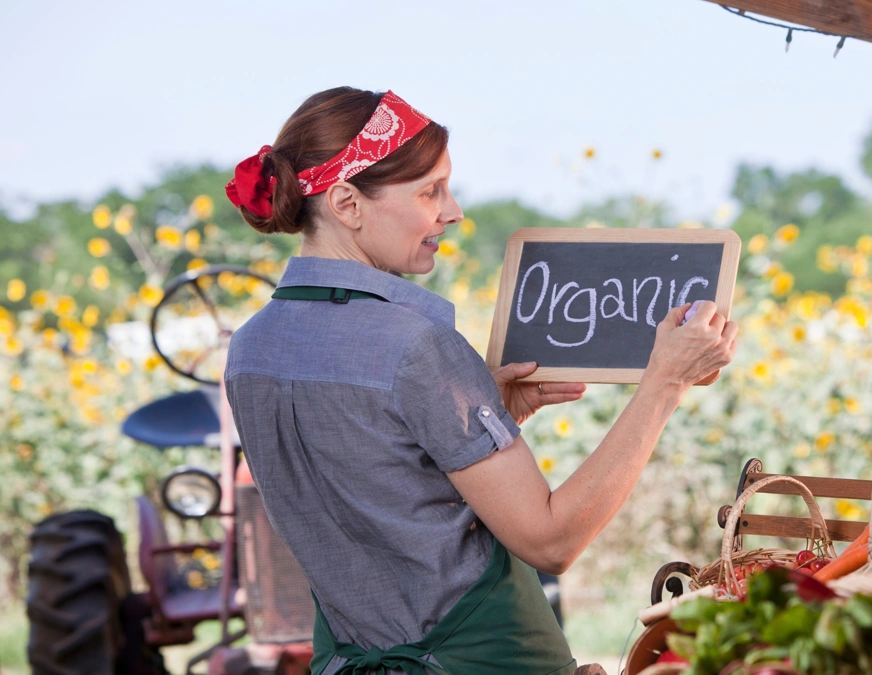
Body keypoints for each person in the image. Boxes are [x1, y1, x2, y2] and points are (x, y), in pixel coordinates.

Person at [223, 86, 737, 675]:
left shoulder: (250, 348)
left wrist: (482, 409)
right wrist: (664, 384)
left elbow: (375, 486)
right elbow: (550, 542)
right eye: (429, 191)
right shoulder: (417, 347)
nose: (453, 211)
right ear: (347, 203)